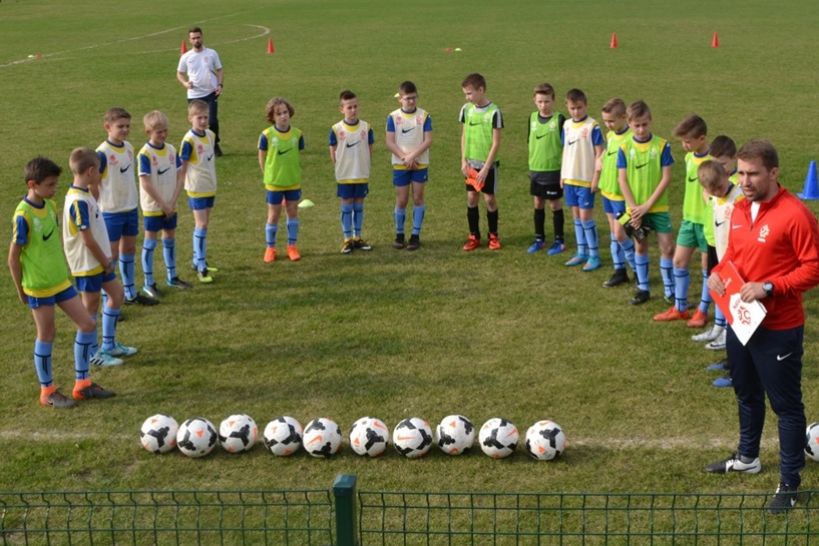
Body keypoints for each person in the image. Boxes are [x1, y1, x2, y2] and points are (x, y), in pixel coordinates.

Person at [705, 139, 819, 514]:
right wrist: (718, 273)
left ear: (773, 172)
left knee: (786, 406)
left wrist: (769, 287)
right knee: (746, 392)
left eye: (753, 174)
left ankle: (789, 482)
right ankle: (747, 457)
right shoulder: (739, 208)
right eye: (740, 173)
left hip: (779, 328)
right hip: (741, 322)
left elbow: (814, 267)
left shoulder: (795, 214)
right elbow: (734, 257)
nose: (744, 181)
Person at [8, 156, 115, 408]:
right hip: (39, 286)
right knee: (47, 334)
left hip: (60, 281)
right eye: (50, 185)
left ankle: (82, 384)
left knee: (87, 324)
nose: (55, 189)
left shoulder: (50, 206)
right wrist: (21, 290)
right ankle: (47, 391)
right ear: (32, 184)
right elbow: (13, 258)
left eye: (55, 184)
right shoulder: (23, 215)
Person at [63, 148, 138, 368]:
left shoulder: (85, 194)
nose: (101, 175)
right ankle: (92, 353)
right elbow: (87, 240)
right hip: (87, 264)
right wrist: (105, 261)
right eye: (99, 171)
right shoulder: (77, 201)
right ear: (90, 171)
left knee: (117, 294)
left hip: (99, 261)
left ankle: (109, 344)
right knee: (90, 310)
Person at [654, 115, 712, 325]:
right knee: (678, 261)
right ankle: (680, 308)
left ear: (702, 138)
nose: (684, 146)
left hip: (707, 223)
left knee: (707, 268)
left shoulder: (713, 162)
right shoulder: (689, 158)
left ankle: (702, 311)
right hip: (689, 221)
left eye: (688, 141)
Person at [96, 107, 157, 305]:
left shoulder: (129, 148)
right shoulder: (102, 153)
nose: (125, 130)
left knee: (129, 249)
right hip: (111, 211)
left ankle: (130, 293)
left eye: (127, 126)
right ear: (107, 127)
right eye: (120, 126)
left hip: (130, 207)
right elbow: (94, 183)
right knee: (110, 256)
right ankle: (108, 299)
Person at [616, 100, 675, 305]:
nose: (641, 130)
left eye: (644, 124)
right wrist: (634, 209)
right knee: (640, 247)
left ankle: (669, 290)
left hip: (657, 207)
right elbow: (622, 180)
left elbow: (666, 178)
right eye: (637, 125)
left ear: (650, 121)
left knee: (667, 248)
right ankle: (643, 288)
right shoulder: (624, 147)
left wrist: (647, 206)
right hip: (635, 209)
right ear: (629, 123)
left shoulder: (662, 145)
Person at [695, 155, 742, 388]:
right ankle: (732, 360)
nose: (717, 192)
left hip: (740, 269)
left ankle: (740, 371)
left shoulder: (739, 199)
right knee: (731, 319)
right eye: (712, 191)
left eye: (720, 187)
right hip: (723, 264)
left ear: (726, 176)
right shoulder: (715, 199)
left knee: (740, 322)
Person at [137, 110, 189, 298]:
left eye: (165, 130)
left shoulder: (172, 150)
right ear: (148, 132)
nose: (163, 134)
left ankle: (172, 276)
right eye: (159, 131)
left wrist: (172, 201)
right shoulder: (145, 154)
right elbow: (146, 183)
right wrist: (162, 204)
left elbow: (179, 176)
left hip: (170, 205)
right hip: (153, 207)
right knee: (150, 242)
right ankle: (148, 282)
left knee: (170, 239)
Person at [385, 81, 433, 251]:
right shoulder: (393, 117)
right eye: (407, 98)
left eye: (414, 98)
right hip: (401, 164)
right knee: (402, 199)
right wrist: (404, 157)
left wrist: (412, 156)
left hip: (420, 163)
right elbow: (390, 142)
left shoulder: (424, 116)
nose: (411, 101)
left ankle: (415, 235)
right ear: (400, 99)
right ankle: (399, 235)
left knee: (418, 198)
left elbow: (428, 140)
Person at [561, 88, 605, 271]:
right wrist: (562, 175)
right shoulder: (566, 125)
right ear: (567, 107)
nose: (576, 111)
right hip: (570, 178)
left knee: (586, 217)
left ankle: (594, 255)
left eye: (579, 107)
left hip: (586, 179)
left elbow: (600, 153)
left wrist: (596, 177)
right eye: (572, 108)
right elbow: (565, 150)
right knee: (576, 216)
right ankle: (581, 252)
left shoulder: (593, 126)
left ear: (586, 105)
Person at [459, 73, 503, 251]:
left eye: (469, 93)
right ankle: (473, 236)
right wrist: (463, 160)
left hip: (488, 166)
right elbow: (464, 135)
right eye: (465, 94)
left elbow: (496, 143)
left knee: (489, 199)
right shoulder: (466, 109)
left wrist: (486, 168)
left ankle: (493, 235)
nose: (467, 97)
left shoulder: (494, 112)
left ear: (481, 90)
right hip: (471, 164)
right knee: (471, 198)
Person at [259, 97, 304, 262]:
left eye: (285, 112)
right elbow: (262, 157)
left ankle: (292, 246)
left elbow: (298, 154)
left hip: (292, 181)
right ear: (272, 117)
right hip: (274, 183)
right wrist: (268, 175)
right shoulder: (266, 135)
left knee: (292, 212)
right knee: (273, 215)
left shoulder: (298, 134)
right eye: (278, 114)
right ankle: (270, 248)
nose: (283, 116)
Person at [330, 90, 374, 254]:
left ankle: (357, 237)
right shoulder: (336, 129)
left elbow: (370, 149)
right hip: (345, 175)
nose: (353, 110)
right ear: (342, 109)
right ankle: (347, 239)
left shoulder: (366, 128)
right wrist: (340, 167)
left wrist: (365, 165)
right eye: (349, 107)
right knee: (347, 205)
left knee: (359, 205)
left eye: (355, 106)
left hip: (361, 173)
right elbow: (333, 152)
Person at [180, 99, 218, 282]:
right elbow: (183, 166)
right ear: (190, 118)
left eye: (205, 117)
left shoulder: (210, 135)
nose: (203, 121)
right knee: (201, 224)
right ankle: (201, 264)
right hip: (196, 188)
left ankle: (197, 259)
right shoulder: (188, 140)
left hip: (209, 186)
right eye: (199, 118)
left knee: (204, 224)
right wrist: (179, 187)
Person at [598, 98, 635, 287]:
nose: (608, 125)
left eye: (611, 121)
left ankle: (637, 268)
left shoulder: (631, 139)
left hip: (621, 196)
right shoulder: (610, 135)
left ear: (623, 117)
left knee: (620, 234)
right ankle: (620, 270)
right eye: (605, 121)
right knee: (614, 234)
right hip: (608, 192)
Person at [525, 83, 565, 256]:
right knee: (538, 203)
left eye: (547, 101)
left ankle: (559, 241)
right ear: (534, 100)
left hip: (553, 170)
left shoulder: (559, 119)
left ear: (553, 100)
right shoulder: (532, 118)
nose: (543, 105)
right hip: (536, 169)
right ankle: (539, 239)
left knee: (554, 204)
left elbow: (566, 147)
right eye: (540, 101)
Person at [177, 26, 224, 156]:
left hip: (210, 93)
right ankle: (197, 146)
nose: (196, 40)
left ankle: (214, 144)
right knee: (196, 122)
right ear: (190, 40)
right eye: (193, 38)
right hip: (194, 95)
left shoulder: (212, 53)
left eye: (198, 37)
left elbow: (219, 70)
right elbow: (179, 73)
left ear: (202, 37)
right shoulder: (186, 57)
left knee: (212, 121)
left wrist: (220, 85)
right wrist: (185, 83)